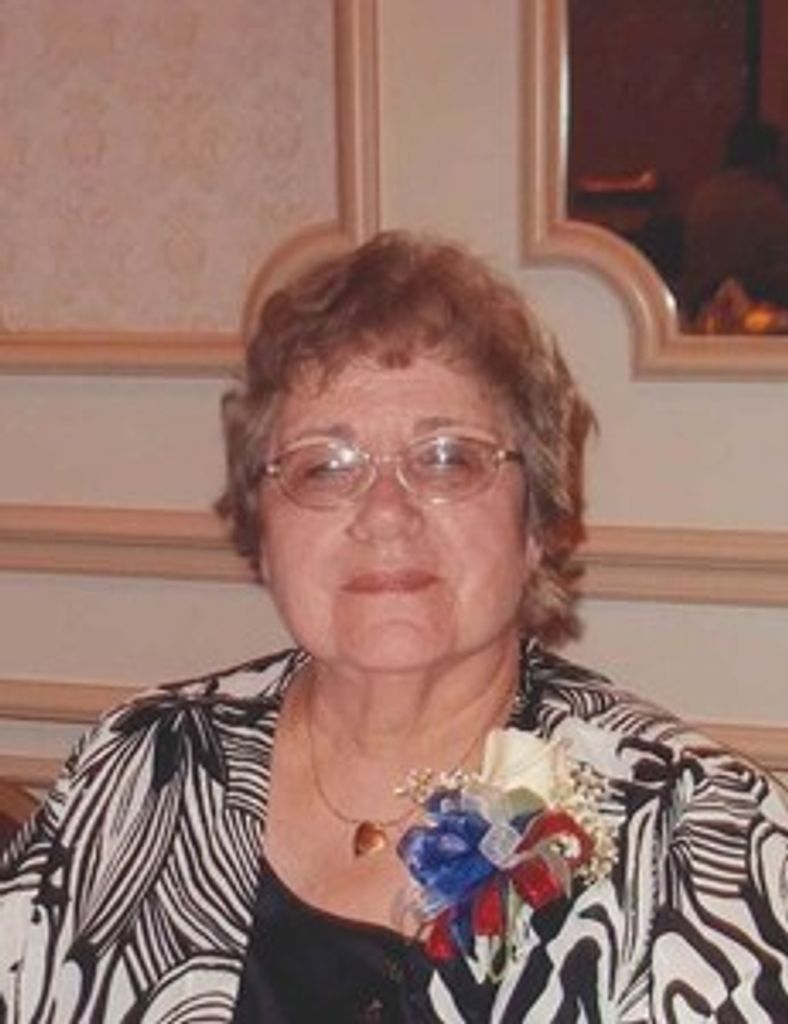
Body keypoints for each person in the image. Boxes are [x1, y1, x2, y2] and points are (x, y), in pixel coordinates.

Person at [1, 232, 786, 1022]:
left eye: (447, 459)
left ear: (535, 521)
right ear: (261, 530)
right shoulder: (143, 764)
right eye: (324, 467)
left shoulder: (700, 835)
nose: (384, 514)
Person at [681, 118, 788, 321]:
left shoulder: (705, 195)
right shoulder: (766, 202)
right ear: (767, 157)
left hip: (702, 304)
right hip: (756, 305)